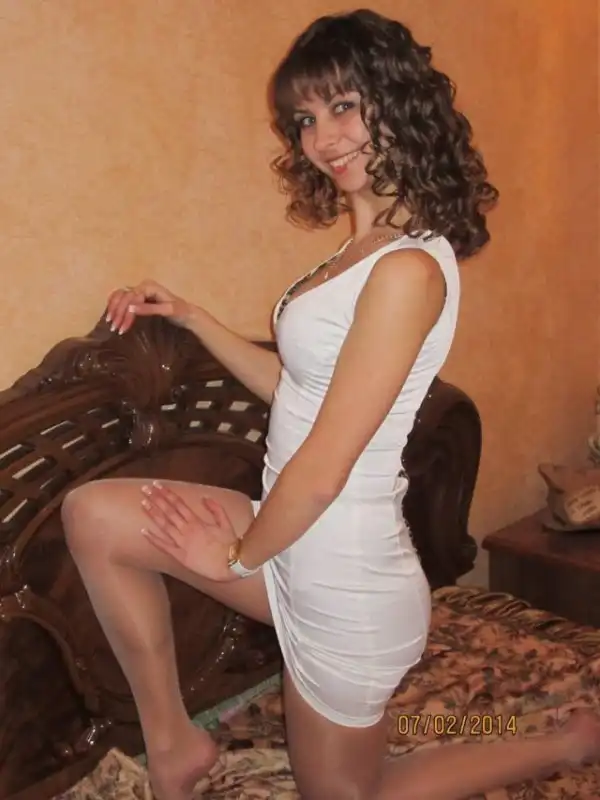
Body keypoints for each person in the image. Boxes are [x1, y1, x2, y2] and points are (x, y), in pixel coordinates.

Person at [62, 8, 600, 800]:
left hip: (343, 580)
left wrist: (235, 557)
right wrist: (193, 318)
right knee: (95, 517)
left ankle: (566, 740)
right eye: (306, 119)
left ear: (396, 100)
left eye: (344, 105)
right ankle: (175, 744)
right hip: (297, 547)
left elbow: (321, 471)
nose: (322, 137)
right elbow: (300, 393)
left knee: (351, 794)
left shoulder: (408, 270)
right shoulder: (358, 254)